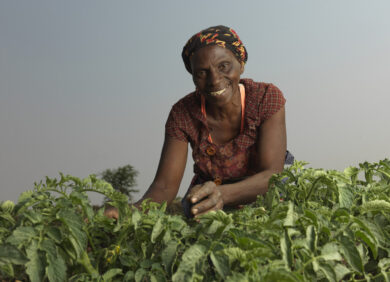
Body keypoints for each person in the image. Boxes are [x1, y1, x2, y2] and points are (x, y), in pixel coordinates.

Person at [104, 25, 293, 219]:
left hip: (260, 192)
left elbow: (272, 175)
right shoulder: (183, 114)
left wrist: (223, 194)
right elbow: (164, 187)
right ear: (193, 76)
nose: (214, 80)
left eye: (223, 66)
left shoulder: (265, 98)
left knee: (280, 212)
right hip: (207, 197)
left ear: (241, 64)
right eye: (202, 73)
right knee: (200, 223)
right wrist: (127, 213)